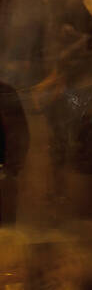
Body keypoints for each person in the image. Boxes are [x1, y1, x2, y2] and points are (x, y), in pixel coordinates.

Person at [0, 76, 30, 224]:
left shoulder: (5, 92)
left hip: (3, 175)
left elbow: (18, 133)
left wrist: (10, 170)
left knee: (5, 231)